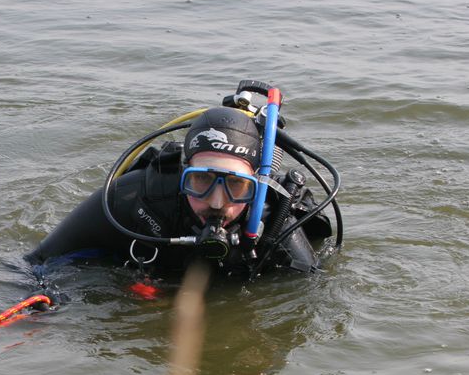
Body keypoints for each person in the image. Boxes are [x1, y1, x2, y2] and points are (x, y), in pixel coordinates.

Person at [25, 83, 342, 282]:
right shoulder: (136, 198)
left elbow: (308, 297)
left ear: (257, 185)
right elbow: (36, 262)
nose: (216, 202)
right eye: (201, 180)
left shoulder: (275, 222)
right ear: (182, 172)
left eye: (236, 185)